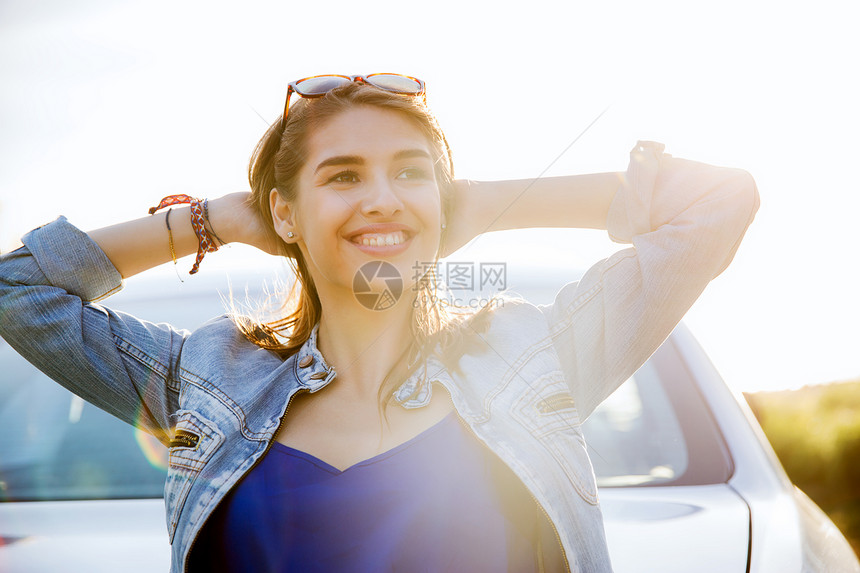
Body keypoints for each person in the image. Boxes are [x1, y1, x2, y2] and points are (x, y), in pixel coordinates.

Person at [0, 74, 759, 572]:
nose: (382, 198)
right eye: (343, 176)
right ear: (284, 214)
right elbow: (19, 289)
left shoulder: (534, 357)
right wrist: (215, 220)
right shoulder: (206, 376)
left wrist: (474, 205)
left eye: (409, 172)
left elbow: (718, 203)